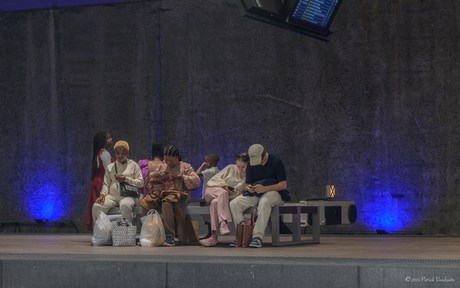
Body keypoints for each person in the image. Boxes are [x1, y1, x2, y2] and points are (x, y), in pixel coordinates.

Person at [229, 144, 290, 248]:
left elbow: (283, 185)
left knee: (265, 201)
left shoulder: (276, 162)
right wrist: (249, 188)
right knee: (234, 203)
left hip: (274, 192)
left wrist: (265, 188)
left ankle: (257, 237)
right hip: (256, 192)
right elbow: (247, 184)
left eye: (259, 160)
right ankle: (243, 236)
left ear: (264, 154)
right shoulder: (251, 164)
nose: (259, 163)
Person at [139, 144, 201, 247]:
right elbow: (148, 185)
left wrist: (181, 177)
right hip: (161, 193)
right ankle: (148, 234)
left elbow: (197, 181)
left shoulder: (185, 166)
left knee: (167, 203)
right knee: (145, 202)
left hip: (178, 194)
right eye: (166, 160)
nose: (168, 163)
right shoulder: (162, 166)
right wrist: (153, 176)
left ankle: (170, 236)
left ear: (177, 157)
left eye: (170, 161)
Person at [199, 153, 249, 247]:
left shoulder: (248, 177)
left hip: (222, 198)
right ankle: (223, 223)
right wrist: (224, 186)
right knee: (223, 193)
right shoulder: (230, 168)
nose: (240, 169)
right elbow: (213, 181)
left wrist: (234, 192)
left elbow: (239, 192)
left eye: (243, 167)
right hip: (211, 190)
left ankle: (213, 237)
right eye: (238, 166)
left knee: (215, 202)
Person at [92, 141, 144, 225]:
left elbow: (141, 183)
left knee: (125, 205)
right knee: (97, 206)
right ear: (115, 154)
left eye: (123, 153)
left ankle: (125, 233)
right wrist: (102, 195)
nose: (120, 156)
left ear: (127, 153)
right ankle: (102, 232)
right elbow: (106, 184)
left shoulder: (133, 165)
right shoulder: (110, 167)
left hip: (127, 195)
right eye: (118, 153)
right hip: (112, 196)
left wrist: (125, 179)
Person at [86, 131, 114, 231]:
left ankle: (100, 230)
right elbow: (108, 170)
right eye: (108, 138)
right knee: (101, 207)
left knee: (98, 207)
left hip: (97, 181)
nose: (111, 140)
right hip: (102, 182)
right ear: (102, 141)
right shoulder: (105, 154)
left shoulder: (100, 153)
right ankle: (102, 231)